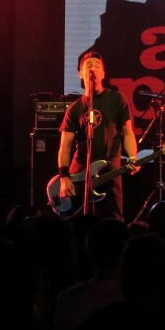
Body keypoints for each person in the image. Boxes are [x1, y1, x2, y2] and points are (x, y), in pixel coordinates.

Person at [58, 49, 139, 219]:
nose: (92, 68)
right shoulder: (74, 109)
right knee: (79, 223)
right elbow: (65, 146)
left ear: (103, 73)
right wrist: (64, 177)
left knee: (113, 221)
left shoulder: (117, 99)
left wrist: (132, 156)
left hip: (110, 173)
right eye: (88, 65)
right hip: (80, 174)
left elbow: (128, 133)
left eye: (97, 65)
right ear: (80, 74)